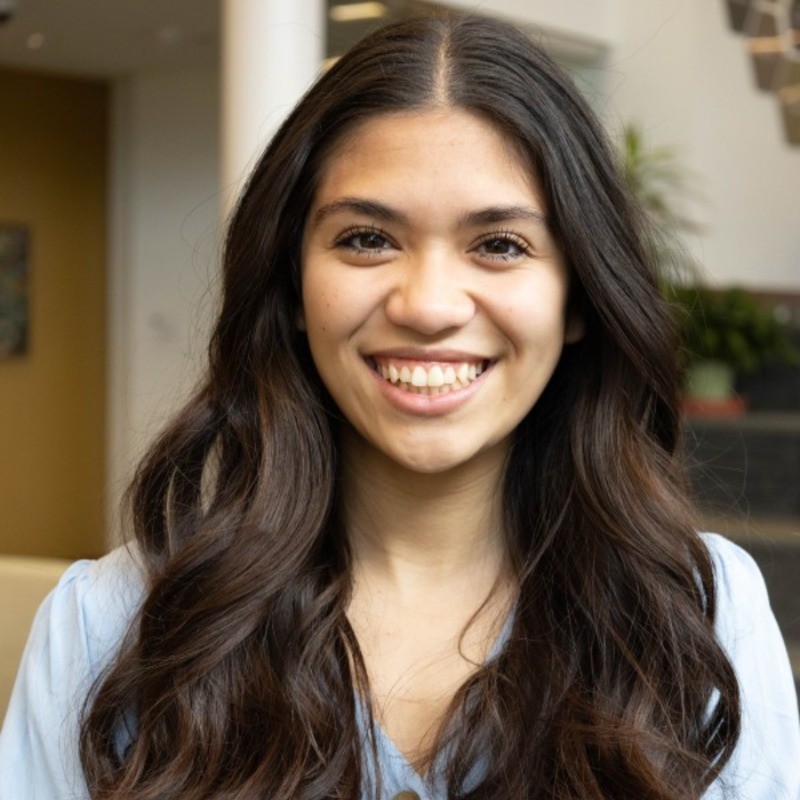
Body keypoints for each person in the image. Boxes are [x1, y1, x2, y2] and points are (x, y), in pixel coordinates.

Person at [1, 12, 798, 800]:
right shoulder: (107, 627)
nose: (427, 305)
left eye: (501, 245)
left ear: (579, 297)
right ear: (293, 288)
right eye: (367, 239)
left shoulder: (701, 613)